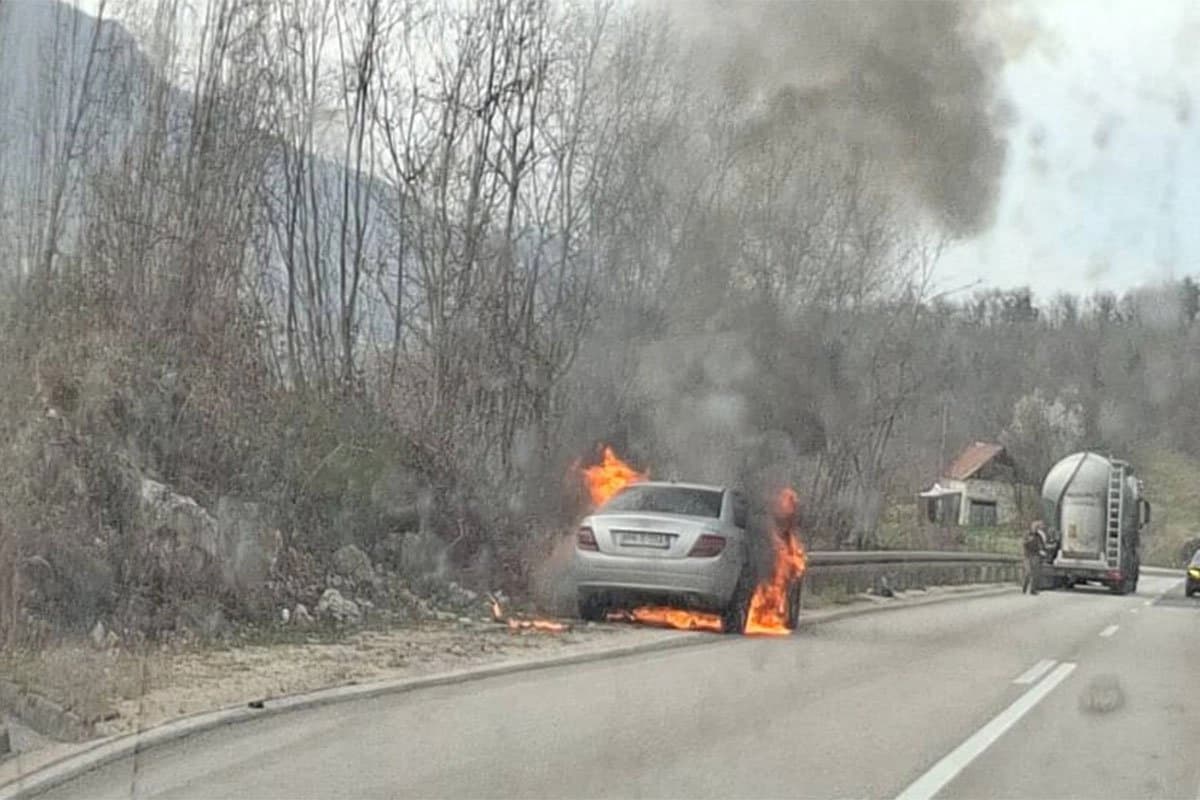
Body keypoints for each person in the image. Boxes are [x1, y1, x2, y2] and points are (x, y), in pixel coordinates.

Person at [1023, 520, 1049, 594]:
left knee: (1035, 573)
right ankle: (1024, 587)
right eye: (1035, 527)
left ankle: (1033, 590)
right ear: (1032, 527)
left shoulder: (1039, 536)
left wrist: (1043, 551)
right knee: (1028, 572)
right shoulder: (1027, 534)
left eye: (1037, 528)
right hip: (1027, 555)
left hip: (1036, 555)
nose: (1036, 529)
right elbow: (1024, 543)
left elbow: (1042, 545)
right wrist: (1029, 541)